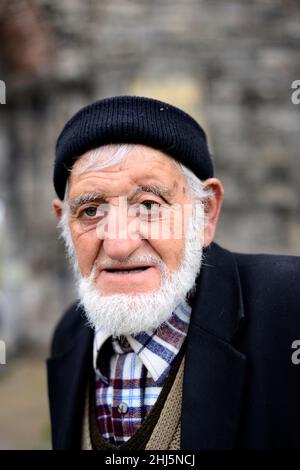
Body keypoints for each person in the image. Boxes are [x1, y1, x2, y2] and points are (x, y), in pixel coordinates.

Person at [47, 95, 300, 450]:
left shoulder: (291, 309)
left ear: (206, 213)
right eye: (90, 211)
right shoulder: (69, 337)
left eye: (149, 205)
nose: (119, 244)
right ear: (64, 223)